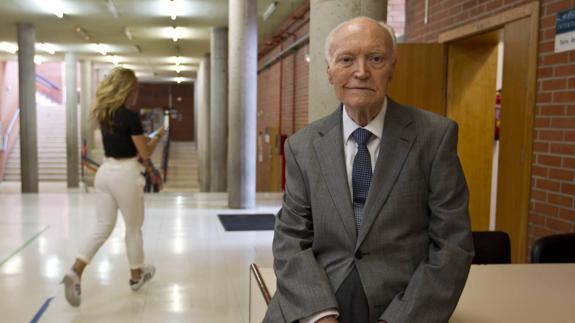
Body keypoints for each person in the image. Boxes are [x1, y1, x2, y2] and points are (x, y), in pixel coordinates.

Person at [264, 17, 474, 323]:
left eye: (375, 59)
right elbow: (290, 240)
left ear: (392, 68)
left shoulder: (434, 136)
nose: (361, 72)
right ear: (329, 71)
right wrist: (319, 315)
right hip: (319, 291)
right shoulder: (303, 146)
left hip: (399, 300)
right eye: (346, 59)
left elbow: (453, 244)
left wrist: (400, 318)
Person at [62, 67, 165, 307]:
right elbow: (144, 152)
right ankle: (136, 276)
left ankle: (76, 270)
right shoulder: (130, 117)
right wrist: (157, 137)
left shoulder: (105, 114)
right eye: (135, 87)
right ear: (127, 89)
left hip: (105, 173)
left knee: (103, 226)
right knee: (133, 228)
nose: (137, 92)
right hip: (126, 175)